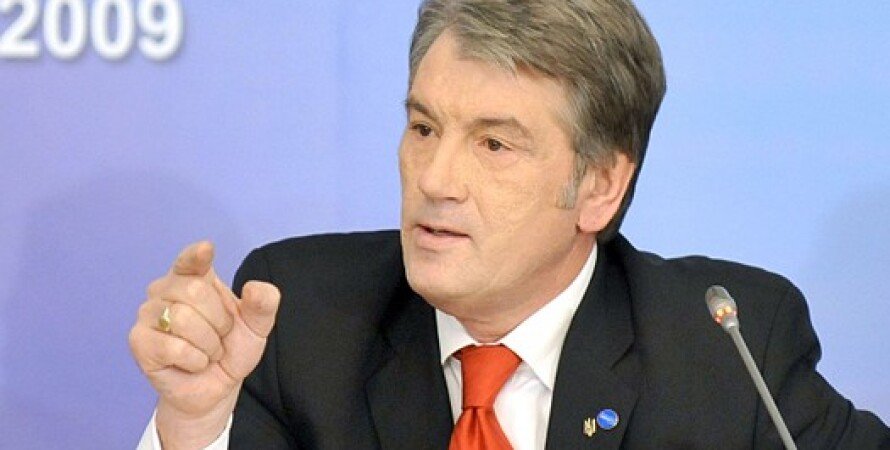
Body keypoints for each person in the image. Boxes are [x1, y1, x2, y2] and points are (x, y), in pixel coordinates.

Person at [130, 1, 890, 449]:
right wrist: (195, 423)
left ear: (600, 186)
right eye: (424, 128)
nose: (435, 180)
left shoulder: (724, 347)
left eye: (494, 144)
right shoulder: (300, 317)